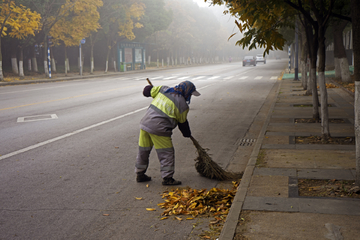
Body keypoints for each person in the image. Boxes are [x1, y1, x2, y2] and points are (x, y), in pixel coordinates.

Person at [135, 81, 200, 185]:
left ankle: (140, 174)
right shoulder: (183, 105)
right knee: (166, 153)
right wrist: (187, 134)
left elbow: (146, 91)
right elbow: (183, 124)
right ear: (186, 92)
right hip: (160, 128)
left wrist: (151, 88)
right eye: (190, 94)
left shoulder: (163, 89)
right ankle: (167, 178)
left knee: (143, 151)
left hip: (145, 124)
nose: (190, 96)